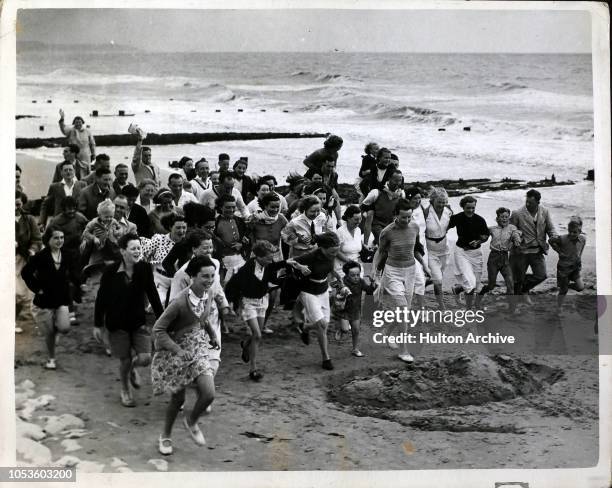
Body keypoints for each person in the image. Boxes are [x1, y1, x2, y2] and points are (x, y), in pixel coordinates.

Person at [151, 256, 221, 454]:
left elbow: (203, 318)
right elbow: (158, 330)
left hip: (198, 349)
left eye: (212, 276)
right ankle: (165, 436)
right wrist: (178, 350)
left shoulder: (207, 294)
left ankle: (191, 421)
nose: (209, 280)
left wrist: (212, 335)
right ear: (192, 277)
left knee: (209, 394)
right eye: (204, 276)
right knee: (178, 400)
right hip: (175, 353)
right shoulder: (179, 302)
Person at [94, 233, 164, 407]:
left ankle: (132, 369)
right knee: (124, 359)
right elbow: (101, 299)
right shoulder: (110, 272)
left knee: (146, 357)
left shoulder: (145, 269)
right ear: (123, 251)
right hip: (117, 323)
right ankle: (125, 390)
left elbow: (153, 295)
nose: (137, 251)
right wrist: (97, 324)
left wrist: (162, 319)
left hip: (138, 321)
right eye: (133, 248)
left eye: (139, 248)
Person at [225, 241, 301, 381]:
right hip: (249, 303)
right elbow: (232, 286)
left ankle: (246, 344)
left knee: (255, 335)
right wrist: (229, 304)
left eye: (271, 257)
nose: (270, 260)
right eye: (267, 257)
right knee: (258, 335)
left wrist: (287, 263)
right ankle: (253, 369)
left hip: (262, 302)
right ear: (258, 257)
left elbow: (274, 266)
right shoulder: (246, 269)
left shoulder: (267, 266)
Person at [374, 199, 430, 363]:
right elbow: (380, 251)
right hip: (393, 272)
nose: (407, 221)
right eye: (403, 217)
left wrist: (424, 266)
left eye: (409, 217)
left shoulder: (414, 227)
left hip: (410, 270)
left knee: (404, 310)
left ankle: (387, 331)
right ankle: (403, 350)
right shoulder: (387, 232)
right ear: (395, 215)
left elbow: (415, 248)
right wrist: (374, 270)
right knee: (403, 309)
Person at [22, 226, 80, 369]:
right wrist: (37, 289)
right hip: (44, 301)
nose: (59, 240)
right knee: (49, 334)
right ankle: (51, 359)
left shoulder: (67, 255)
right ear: (48, 239)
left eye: (62, 237)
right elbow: (25, 273)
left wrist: (80, 284)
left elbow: (74, 274)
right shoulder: (40, 256)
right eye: (56, 238)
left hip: (61, 298)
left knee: (65, 328)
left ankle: (55, 329)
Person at [292, 232, 341, 370]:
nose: (334, 255)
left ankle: (305, 327)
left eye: (336, 251)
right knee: (321, 325)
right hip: (308, 292)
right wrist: (300, 267)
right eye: (332, 252)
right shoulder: (311, 256)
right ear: (322, 248)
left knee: (324, 324)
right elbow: (291, 262)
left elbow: (331, 268)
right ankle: (326, 358)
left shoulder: (332, 254)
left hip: (324, 290)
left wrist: (336, 276)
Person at [248, 193, 289, 331]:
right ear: (264, 206)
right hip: (258, 260)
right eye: (272, 207)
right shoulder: (255, 219)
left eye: (278, 206)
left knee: (272, 296)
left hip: (275, 259)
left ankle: (263, 324)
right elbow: (247, 235)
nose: (275, 209)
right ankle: (253, 324)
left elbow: (290, 233)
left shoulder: (282, 219)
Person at [510, 189, 558, 304]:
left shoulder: (545, 212)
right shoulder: (517, 213)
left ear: (538, 202)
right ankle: (514, 306)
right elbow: (511, 229)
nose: (527, 204)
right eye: (526, 201)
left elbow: (550, 228)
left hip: (537, 250)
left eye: (530, 202)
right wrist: (515, 235)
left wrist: (554, 236)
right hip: (521, 252)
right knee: (517, 280)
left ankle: (524, 290)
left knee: (541, 275)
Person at [448, 196, 490, 308]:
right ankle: (469, 308)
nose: (471, 210)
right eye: (468, 208)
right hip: (461, 252)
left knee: (476, 283)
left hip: (476, 253)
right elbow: (443, 226)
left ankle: (457, 289)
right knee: (470, 284)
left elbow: (486, 235)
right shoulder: (457, 218)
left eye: (473, 207)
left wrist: (479, 241)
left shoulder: (480, 220)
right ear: (463, 207)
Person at [476, 207, 522, 310]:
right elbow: (483, 238)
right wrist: (478, 241)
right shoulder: (492, 229)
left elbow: (516, 234)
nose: (504, 219)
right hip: (493, 258)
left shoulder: (512, 228)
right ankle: (478, 299)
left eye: (506, 217)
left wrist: (517, 240)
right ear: (497, 218)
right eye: (502, 217)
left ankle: (512, 309)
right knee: (491, 285)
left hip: (505, 259)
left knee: (510, 285)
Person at [141, 213, 188, 306]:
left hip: (178, 281)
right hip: (160, 280)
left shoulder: (187, 244)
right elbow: (143, 254)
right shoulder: (159, 239)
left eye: (184, 228)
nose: (181, 231)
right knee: (160, 304)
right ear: (170, 227)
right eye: (178, 228)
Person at [335, 261, 376, 357]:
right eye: (353, 275)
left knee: (356, 330)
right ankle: (341, 330)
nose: (356, 277)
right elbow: (337, 296)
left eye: (358, 274)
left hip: (355, 310)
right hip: (344, 310)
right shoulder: (342, 282)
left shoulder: (361, 282)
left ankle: (355, 349)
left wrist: (373, 283)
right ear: (347, 275)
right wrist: (341, 291)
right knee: (345, 329)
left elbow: (369, 290)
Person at [15, 190, 42, 330]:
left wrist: (33, 249)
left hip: (27, 259)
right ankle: (11, 321)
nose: (15, 208)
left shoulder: (29, 219)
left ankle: (39, 322)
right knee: (16, 293)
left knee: (31, 293)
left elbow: (37, 239)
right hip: (10, 261)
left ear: (22, 203)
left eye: (18, 204)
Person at [424, 187, 453, 309]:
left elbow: (452, 224)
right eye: (439, 201)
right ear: (432, 200)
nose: (441, 204)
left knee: (438, 276)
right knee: (438, 280)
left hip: (444, 248)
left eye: (443, 202)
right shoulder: (425, 212)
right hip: (430, 249)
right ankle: (441, 306)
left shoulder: (449, 210)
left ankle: (423, 283)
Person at [549, 216, 586, 311]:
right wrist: (559, 251)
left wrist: (579, 259)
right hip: (563, 269)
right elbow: (550, 240)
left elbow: (580, 250)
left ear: (580, 231)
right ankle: (559, 306)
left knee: (580, 287)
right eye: (570, 231)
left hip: (575, 268)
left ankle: (564, 285)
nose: (572, 234)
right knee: (563, 291)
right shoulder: (563, 238)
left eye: (575, 232)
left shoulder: (582, 239)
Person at [362, 169, 405, 246]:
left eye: (400, 181)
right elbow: (363, 206)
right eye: (395, 180)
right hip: (377, 224)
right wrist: (368, 215)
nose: (398, 183)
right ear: (389, 179)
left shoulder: (401, 194)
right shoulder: (376, 192)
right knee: (386, 244)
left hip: (391, 224)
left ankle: (375, 244)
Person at [213, 194, 249, 284]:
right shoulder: (215, 223)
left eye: (233, 207)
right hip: (223, 262)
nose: (231, 210)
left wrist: (242, 244)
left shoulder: (239, 221)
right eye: (228, 207)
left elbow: (248, 239)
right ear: (221, 207)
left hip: (240, 259)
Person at [80, 199, 123, 272]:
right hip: (98, 247)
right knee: (94, 264)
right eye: (106, 217)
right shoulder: (94, 223)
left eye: (111, 216)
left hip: (111, 246)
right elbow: (85, 233)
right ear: (99, 215)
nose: (109, 219)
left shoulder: (113, 221)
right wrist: (94, 238)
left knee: (115, 259)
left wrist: (118, 232)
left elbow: (120, 228)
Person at [40, 161, 87, 228]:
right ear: (61, 173)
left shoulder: (82, 185)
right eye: (65, 170)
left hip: (77, 223)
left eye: (70, 170)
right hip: (59, 223)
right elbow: (45, 205)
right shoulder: (54, 187)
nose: (68, 172)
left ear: (74, 172)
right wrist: (42, 222)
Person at [405, 187, 428, 309]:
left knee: (420, 278)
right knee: (419, 279)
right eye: (415, 198)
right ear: (409, 198)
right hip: (411, 250)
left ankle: (414, 305)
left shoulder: (421, 209)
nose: (418, 201)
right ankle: (421, 307)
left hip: (423, 248)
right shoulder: (405, 212)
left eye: (420, 198)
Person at [334, 205, 364, 277]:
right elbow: (336, 252)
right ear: (348, 218)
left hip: (356, 266)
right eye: (356, 219)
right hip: (342, 267)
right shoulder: (340, 231)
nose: (359, 222)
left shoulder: (358, 230)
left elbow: (357, 246)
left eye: (360, 219)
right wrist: (350, 262)